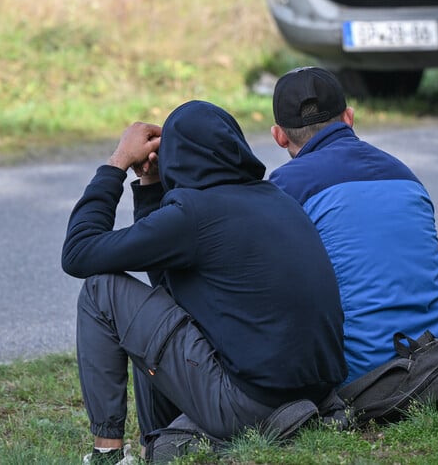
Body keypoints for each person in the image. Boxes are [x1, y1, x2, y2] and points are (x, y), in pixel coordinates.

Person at [62, 101, 346, 464]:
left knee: (101, 291)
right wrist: (150, 184)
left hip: (249, 405)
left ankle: (106, 456)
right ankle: (160, 439)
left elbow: (78, 253)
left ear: (176, 158)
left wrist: (116, 163)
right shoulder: (277, 199)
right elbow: (169, 284)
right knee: (157, 304)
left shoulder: (193, 216)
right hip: (317, 395)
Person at [268, 67, 438, 384]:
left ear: (279, 135)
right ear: (349, 117)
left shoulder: (285, 187)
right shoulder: (404, 174)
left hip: (360, 377)